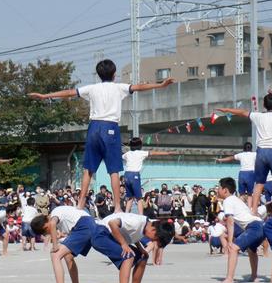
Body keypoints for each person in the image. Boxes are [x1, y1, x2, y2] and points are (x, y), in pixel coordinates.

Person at [29, 59, 174, 212]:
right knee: (114, 171)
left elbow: (69, 92)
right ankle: (118, 207)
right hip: (110, 127)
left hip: (93, 128)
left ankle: (79, 205)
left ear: (99, 74)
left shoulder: (91, 88)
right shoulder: (119, 87)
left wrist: (45, 96)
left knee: (88, 170)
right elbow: (139, 87)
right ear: (114, 74)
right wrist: (161, 85)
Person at [91, 212, 174, 283]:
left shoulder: (147, 225)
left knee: (143, 256)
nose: (152, 241)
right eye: (154, 239)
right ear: (154, 230)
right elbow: (112, 223)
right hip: (101, 234)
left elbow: (134, 234)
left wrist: (140, 249)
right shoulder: (136, 222)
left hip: (112, 236)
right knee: (129, 256)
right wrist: (124, 244)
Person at [30, 206, 96, 283]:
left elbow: (52, 224)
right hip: (87, 224)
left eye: (45, 229)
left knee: (55, 255)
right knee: (68, 256)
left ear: (46, 220)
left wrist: (55, 245)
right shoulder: (60, 218)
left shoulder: (54, 214)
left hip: (83, 225)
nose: (47, 232)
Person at [216, 177, 265, 283]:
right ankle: (254, 276)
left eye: (218, 188)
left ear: (225, 190)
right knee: (252, 250)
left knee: (233, 249)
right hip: (260, 226)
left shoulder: (228, 200)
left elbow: (230, 221)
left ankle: (229, 279)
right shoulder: (236, 199)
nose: (217, 190)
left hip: (254, 227)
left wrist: (229, 241)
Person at [122, 137, 174, 214]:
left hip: (126, 175)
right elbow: (154, 153)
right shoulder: (141, 153)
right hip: (134, 175)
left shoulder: (127, 154)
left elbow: (123, 156)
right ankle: (141, 215)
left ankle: (126, 213)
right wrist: (167, 153)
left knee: (130, 197)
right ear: (139, 145)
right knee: (139, 198)